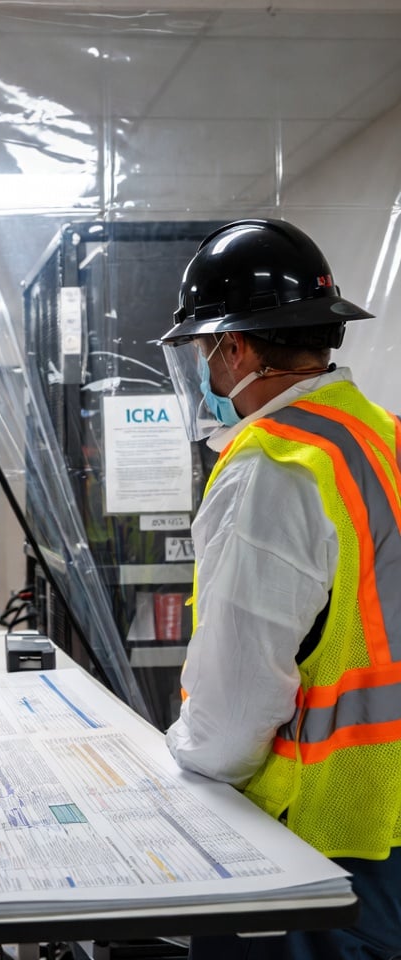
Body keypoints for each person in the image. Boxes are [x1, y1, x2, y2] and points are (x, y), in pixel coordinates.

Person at [157, 219, 401, 959]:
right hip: (387, 824)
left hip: (313, 844)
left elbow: (233, 720)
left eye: (205, 350)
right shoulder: (382, 436)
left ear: (234, 347)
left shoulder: (274, 467)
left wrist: (173, 761)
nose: (206, 372)